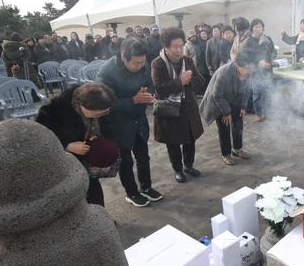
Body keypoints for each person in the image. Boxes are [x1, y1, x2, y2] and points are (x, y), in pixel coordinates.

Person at [96, 37, 163, 207]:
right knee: (126, 160)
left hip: (138, 120)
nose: (140, 66)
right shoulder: (107, 72)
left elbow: (150, 84)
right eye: (135, 63)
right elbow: (103, 104)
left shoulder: (144, 65)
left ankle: (146, 187)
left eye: (142, 62)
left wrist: (149, 94)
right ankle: (131, 193)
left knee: (143, 156)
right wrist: (133, 100)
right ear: (123, 56)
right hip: (117, 124)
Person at [36, 83, 116, 206]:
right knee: (76, 191)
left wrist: (97, 135)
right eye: (96, 114)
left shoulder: (101, 100)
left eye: (104, 113)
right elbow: (41, 135)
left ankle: (100, 216)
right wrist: (66, 145)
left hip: (87, 154)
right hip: (67, 160)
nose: (99, 117)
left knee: (94, 188)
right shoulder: (54, 110)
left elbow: (107, 125)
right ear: (81, 106)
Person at [152, 27, 205, 183]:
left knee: (190, 139)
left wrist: (188, 82)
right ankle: (178, 169)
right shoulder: (158, 63)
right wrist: (179, 82)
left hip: (188, 107)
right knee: (173, 141)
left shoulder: (187, 61)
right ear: (166, 47)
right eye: (174, 46)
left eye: (181, 45)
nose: (179, 49)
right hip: (169, 109)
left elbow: (200, 80)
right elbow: (159, 88)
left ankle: (188, 165)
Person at [199, 50, 254, 165]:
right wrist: (226, 112)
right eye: (246, 69)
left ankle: (237, 149)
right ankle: (226, 154)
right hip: (219, 102)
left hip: (235, 100)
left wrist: (243, 106)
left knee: (238, 124)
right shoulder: (224, 73)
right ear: (238, 65)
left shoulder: (247, 72)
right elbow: (217, 95)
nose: (249, 72)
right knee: (224, 127)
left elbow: (246, 90)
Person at [241, 18, 276, 122]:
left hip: (267, 71)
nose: (258, 29)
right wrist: (258, 63)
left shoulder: (268, 39)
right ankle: (258, 114)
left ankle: (267, 113)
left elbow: (273, 52)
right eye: (255, 27)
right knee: (257, 94)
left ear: (263, 28)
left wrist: (270, 61)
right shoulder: (249, 41)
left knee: (268, 93)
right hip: (255, 72)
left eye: (260, 26)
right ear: (252, 28)